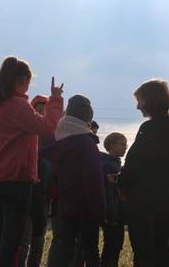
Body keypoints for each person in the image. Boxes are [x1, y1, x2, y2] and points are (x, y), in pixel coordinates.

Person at [0, 57, 63, 267]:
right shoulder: (18, 105)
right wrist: (55, 100)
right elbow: (47, 128)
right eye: (30, 79)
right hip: (15, 179)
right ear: (23, 79)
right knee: (11, 241)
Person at [117, 79, 169, 266]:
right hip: (166, 204)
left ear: (150, 100)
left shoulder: (148, 129)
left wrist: (121, 183)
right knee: (164, 254)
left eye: (139, 100)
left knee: (144, 255)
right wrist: (168, 182)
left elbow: (133, 164)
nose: (137, 106)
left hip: (142, 205)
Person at [43, 95, 104, 267]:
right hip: (87, 206)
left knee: (65, 247)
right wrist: (99, 210)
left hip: (64, 204)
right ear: (87, 119)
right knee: (91, 250)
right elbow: (94, 181)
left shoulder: (58, 141)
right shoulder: (86, 143)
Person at [18, 95, 53, 267]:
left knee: (38, 241)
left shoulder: (51, 137)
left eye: (44, 110)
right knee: (24, 240)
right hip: (27, 193)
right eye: (38, 110)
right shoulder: (25, 134)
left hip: (44, 197)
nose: (41, 113)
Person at [100, 132, 128, 267]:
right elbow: (108, 193)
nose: (125, 147)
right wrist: (112, 214)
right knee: (112, 246)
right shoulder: (107, 166)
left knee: (115, 246)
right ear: (111, 145)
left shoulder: (116, 165)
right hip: (113, 213)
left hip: (117, 212)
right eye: (122, 144)